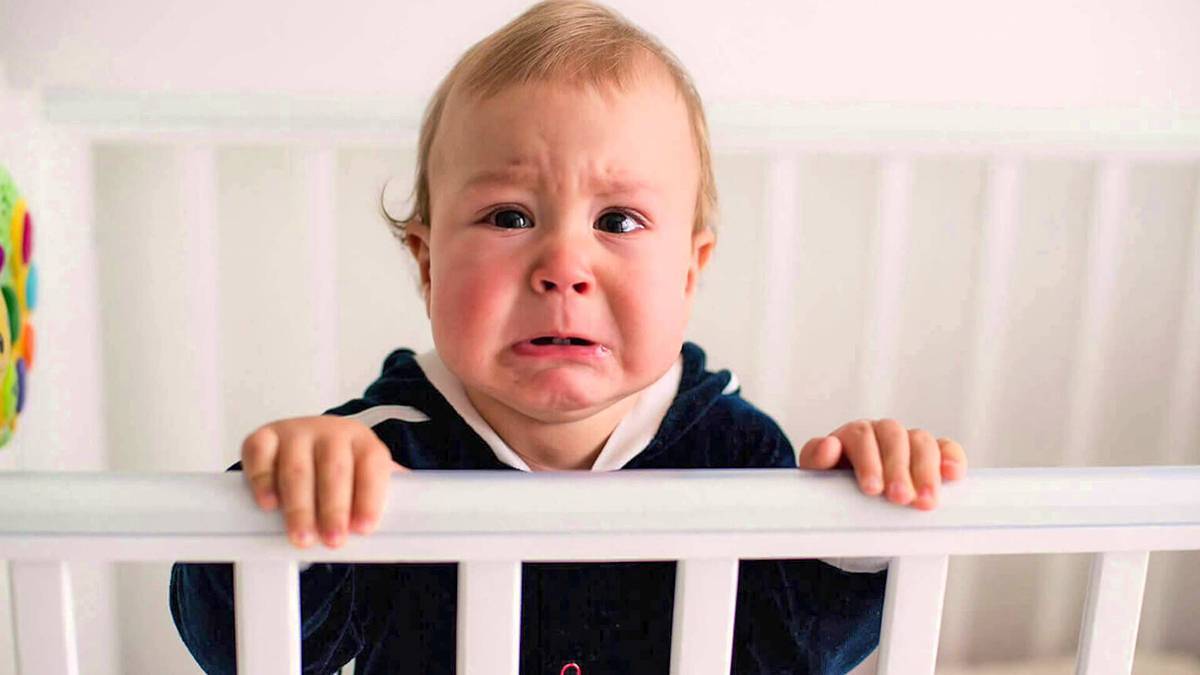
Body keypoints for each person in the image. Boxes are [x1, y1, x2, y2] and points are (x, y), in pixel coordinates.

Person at [169, 1, 967, 673]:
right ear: (427, 262)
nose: (562, 267)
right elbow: (237, 643)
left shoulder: (731, 452)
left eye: (617, 221)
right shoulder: (379, 457)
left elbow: (810, 642)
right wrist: (288, 505)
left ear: (690, 273)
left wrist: (866, 517)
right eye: (509, 215)